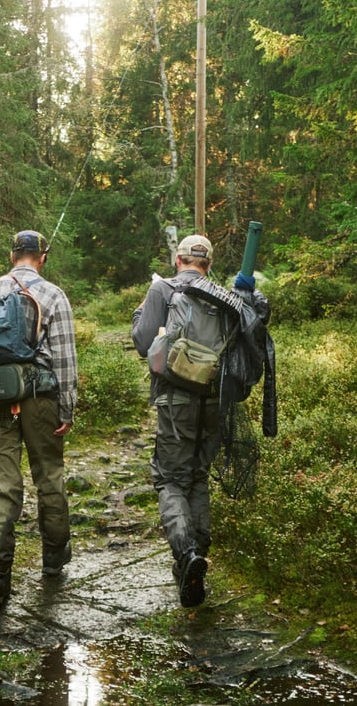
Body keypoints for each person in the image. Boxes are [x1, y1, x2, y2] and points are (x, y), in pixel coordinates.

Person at [131, 234, 251, 607]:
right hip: (214, 402)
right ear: (208, 265)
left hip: (175, 401)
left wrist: (139, 313)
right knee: (198, 476)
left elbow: (143, 343)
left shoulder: (162, 290)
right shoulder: (225, 297)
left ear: (177, 259)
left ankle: (187, 554)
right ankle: (198, 557)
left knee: (170, 479)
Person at [0, 230, 77, 607]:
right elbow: (65, 359)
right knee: (48, 475)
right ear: (42, 258)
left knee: (3, 484)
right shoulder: (53, 295)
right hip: (40, 396)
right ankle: (54, 557)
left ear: (12, 255)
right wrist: (67, 408)